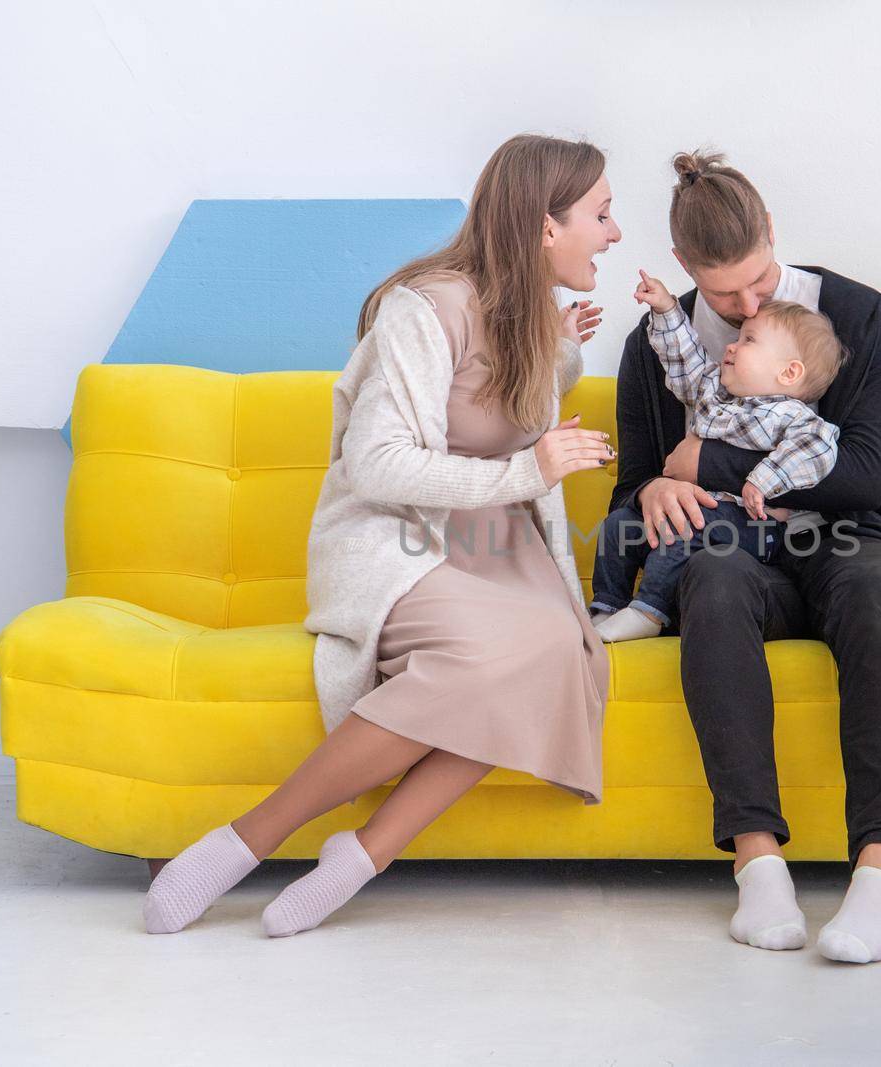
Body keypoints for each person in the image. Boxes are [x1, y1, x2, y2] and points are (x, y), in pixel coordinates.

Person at [143, 133, 622, 937]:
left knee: (553, 648)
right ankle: (245, 842)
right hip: (401, 535)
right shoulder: (422, 311)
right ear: (547, 226)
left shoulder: (533, 315)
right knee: (487, 660)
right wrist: (532, 469)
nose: (611, 233)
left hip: (500, 545)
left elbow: (500, 402)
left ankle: (363, 853)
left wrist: (563, 351)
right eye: (602, 215)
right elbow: (378, 464)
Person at [609, 149, 881, 963]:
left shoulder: (857, 313)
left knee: (875, 585)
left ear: (773, 234)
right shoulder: (655, 346)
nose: (744, 308)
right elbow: (636, 480)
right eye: (724, 291)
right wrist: (650, 494)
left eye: (760, 284)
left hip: (848, 537)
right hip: (735, 550)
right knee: (711, 580)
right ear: (683, 267)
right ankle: (757, 866)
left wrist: (699, 464)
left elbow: (861, 472)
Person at [589, 268, 845, 643]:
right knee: (619, 526)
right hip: (703, 508)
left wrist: (763, 479)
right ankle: (605, 607)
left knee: (684, 528)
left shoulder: (791, 415)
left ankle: (649, 611)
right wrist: (665, 310)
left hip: (756, 527)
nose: (731, 346)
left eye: (748, 341)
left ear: (789, 372)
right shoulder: (717, 393)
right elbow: (687, 361)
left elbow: (820, 447)